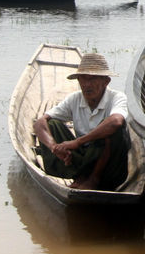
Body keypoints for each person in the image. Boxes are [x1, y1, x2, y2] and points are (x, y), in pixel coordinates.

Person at [33, 53, 130, 191]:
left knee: (112, 130)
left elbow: (116, 122)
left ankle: (93, 179)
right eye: (83, 79)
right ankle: (80, 176)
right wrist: (54, 147)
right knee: (51, 124)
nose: (86, 85)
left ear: (106, 81)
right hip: (84, 158)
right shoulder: (75, 99)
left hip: (109, 165)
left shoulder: (117, 97)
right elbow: (39, 123)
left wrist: (78, 142)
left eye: (92, 79)